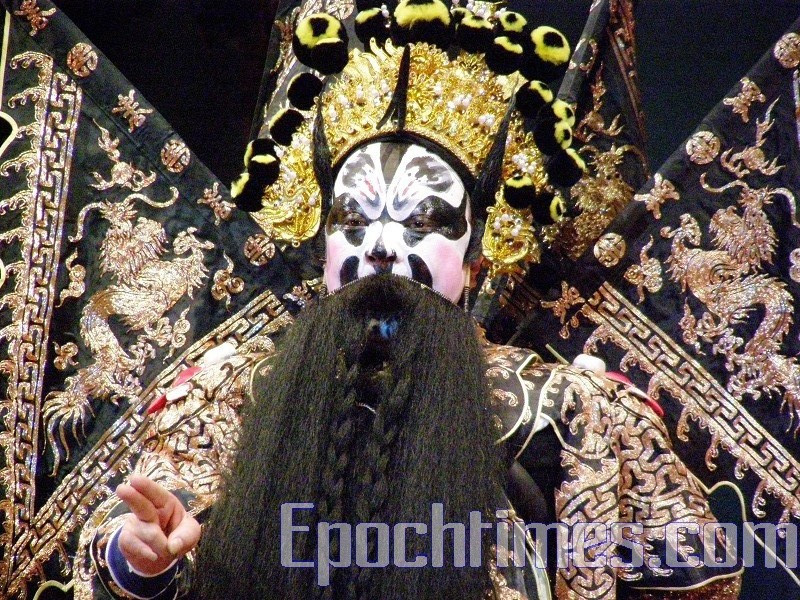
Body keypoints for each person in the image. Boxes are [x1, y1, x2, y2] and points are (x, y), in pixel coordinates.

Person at [72, 2, 743, 599]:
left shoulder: (569, 415)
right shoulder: (231, 394)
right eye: (353, 220)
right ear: (322, 240)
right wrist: (142, 561)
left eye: (422, 221)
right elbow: (139, 537)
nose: (382, 248)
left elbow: (701, 579)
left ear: (479, 253)